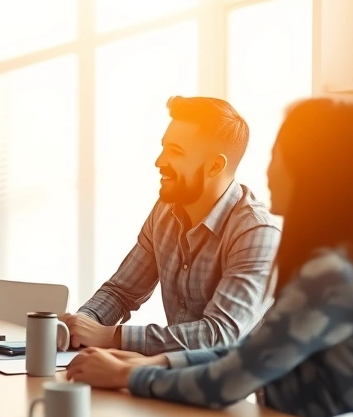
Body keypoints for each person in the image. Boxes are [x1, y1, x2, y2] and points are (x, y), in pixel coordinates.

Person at [67, 98, 353, 417]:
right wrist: (160, 360)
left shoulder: (330, 276)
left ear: (313, 172)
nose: (267, 171)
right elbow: (251, 352)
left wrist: (128, 372)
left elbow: (230, 376)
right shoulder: (331, 265)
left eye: (278, 156)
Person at [64, 96, 281, 355]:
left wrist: (111, 336)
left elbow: (219, 336)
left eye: (176, 152)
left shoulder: (256, 233)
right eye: (164, 147)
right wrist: (79, 326)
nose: (159, 161)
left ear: (215, 166)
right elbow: (121, 292)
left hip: (236, 391)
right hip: (174, 379)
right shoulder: (165, 212)